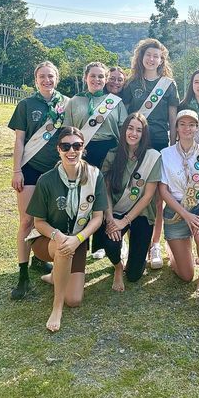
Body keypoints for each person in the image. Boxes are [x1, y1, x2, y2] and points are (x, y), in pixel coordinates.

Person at [26, 127, 107, 332]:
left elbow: (97, 218)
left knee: (75, 299)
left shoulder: (94, 176)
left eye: (77, 145)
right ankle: (56, 308)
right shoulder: (46, 179)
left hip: (77, 240)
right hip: (48, 240)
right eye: (66, 146)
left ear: (83, 148)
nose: (72, 151)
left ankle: (56, 277)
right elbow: (39, 222)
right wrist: (58, 235)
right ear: (58, 149)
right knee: (62, 247)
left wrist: (78, 238)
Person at [8, 60, 69, 300]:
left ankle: (38, 259)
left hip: (56, 170)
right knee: (27, 221)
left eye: (51, 76)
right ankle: (23, 275)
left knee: (51, 218)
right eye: (42, 76)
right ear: (36, 80)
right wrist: (16, 171)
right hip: (30, 168)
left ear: (57, 78)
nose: (47, 80)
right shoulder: (25, 104)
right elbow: (20, 141)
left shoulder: (65, 104)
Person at [122, 38, 179, 269]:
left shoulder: (169, 84)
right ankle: (129, 241)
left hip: (158, 142)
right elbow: (125, 115)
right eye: (148, 55)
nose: (152, 59)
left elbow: (173, 117)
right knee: (130, 190)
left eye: (157, 56)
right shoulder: (131, 82)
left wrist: (173, 144)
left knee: (156, 196)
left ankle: (154, 244)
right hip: (134, 141)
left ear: (161, 59)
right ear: (141, 57)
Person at [64, 61, 127, 260]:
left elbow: (124, 128)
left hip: (109, 152)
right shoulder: (74, 101)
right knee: (81, 194)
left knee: (103, 194)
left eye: (101, 76)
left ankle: (100, 243)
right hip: (83, 152)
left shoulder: (114, 102)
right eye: (93, 76)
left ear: (106, 79)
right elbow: (67, 130)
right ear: (86, 78)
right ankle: (79, 240)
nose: (97, 79)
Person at [102, 112, 161, 291]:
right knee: (111, 242)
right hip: (117, 210)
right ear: (124, 130)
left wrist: (124, 222)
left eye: (139, 130)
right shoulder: (112, 155)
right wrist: (111, 219)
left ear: (144, 134)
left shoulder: (152, 157)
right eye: (130, 128)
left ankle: (136, 254)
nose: (133, 133)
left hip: (142, 213)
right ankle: (118, 268)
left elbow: (148, 196)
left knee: (134, 275)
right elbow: (106, 191)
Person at [159, 110, 199, 293]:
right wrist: (185, 215)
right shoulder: (165, 154)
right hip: (175, 211)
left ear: (197, 128)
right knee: (185, 275)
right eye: (182, 124)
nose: (187, 128)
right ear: (176, 128)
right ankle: (173, 249)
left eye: (191, 124)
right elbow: (163, 191)